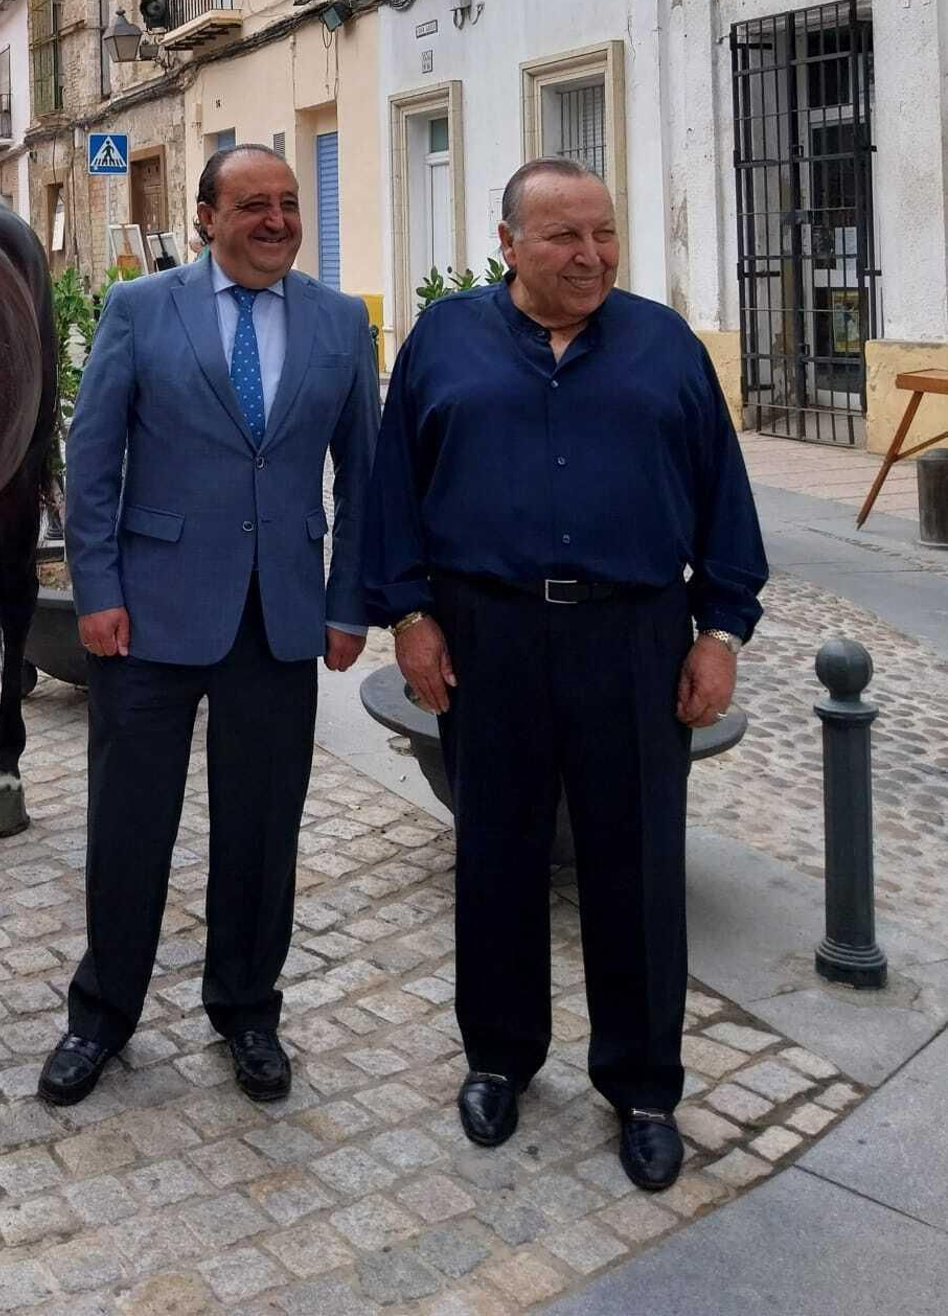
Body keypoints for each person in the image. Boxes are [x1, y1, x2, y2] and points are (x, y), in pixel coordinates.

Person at [366, 157, 766, 1194]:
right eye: (564, 237)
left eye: (604, 233)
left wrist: (720, 632)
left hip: (633, 639)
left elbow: (723, 497)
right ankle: (500, 1059)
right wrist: (409, 616)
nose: (591, 256)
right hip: (485, 636)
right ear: (508, 245)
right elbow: (392, 491)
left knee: (638, 866)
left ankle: (643, 1086)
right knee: (495, 853)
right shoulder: (443, 341)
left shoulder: (665, 347)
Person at [39, 144, 380, 1107]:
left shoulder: (339, 322)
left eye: (288, 203)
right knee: (129, 824)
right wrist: (96, 589)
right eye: (252, 204)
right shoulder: (141, 308)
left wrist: (348, 600)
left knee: (263, 829)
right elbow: (93, 458)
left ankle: (248, 1011)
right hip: (147, 615)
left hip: (280, 616)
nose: (276, 220)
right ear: (205, 218)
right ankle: (101, 1015)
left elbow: (367, 475)